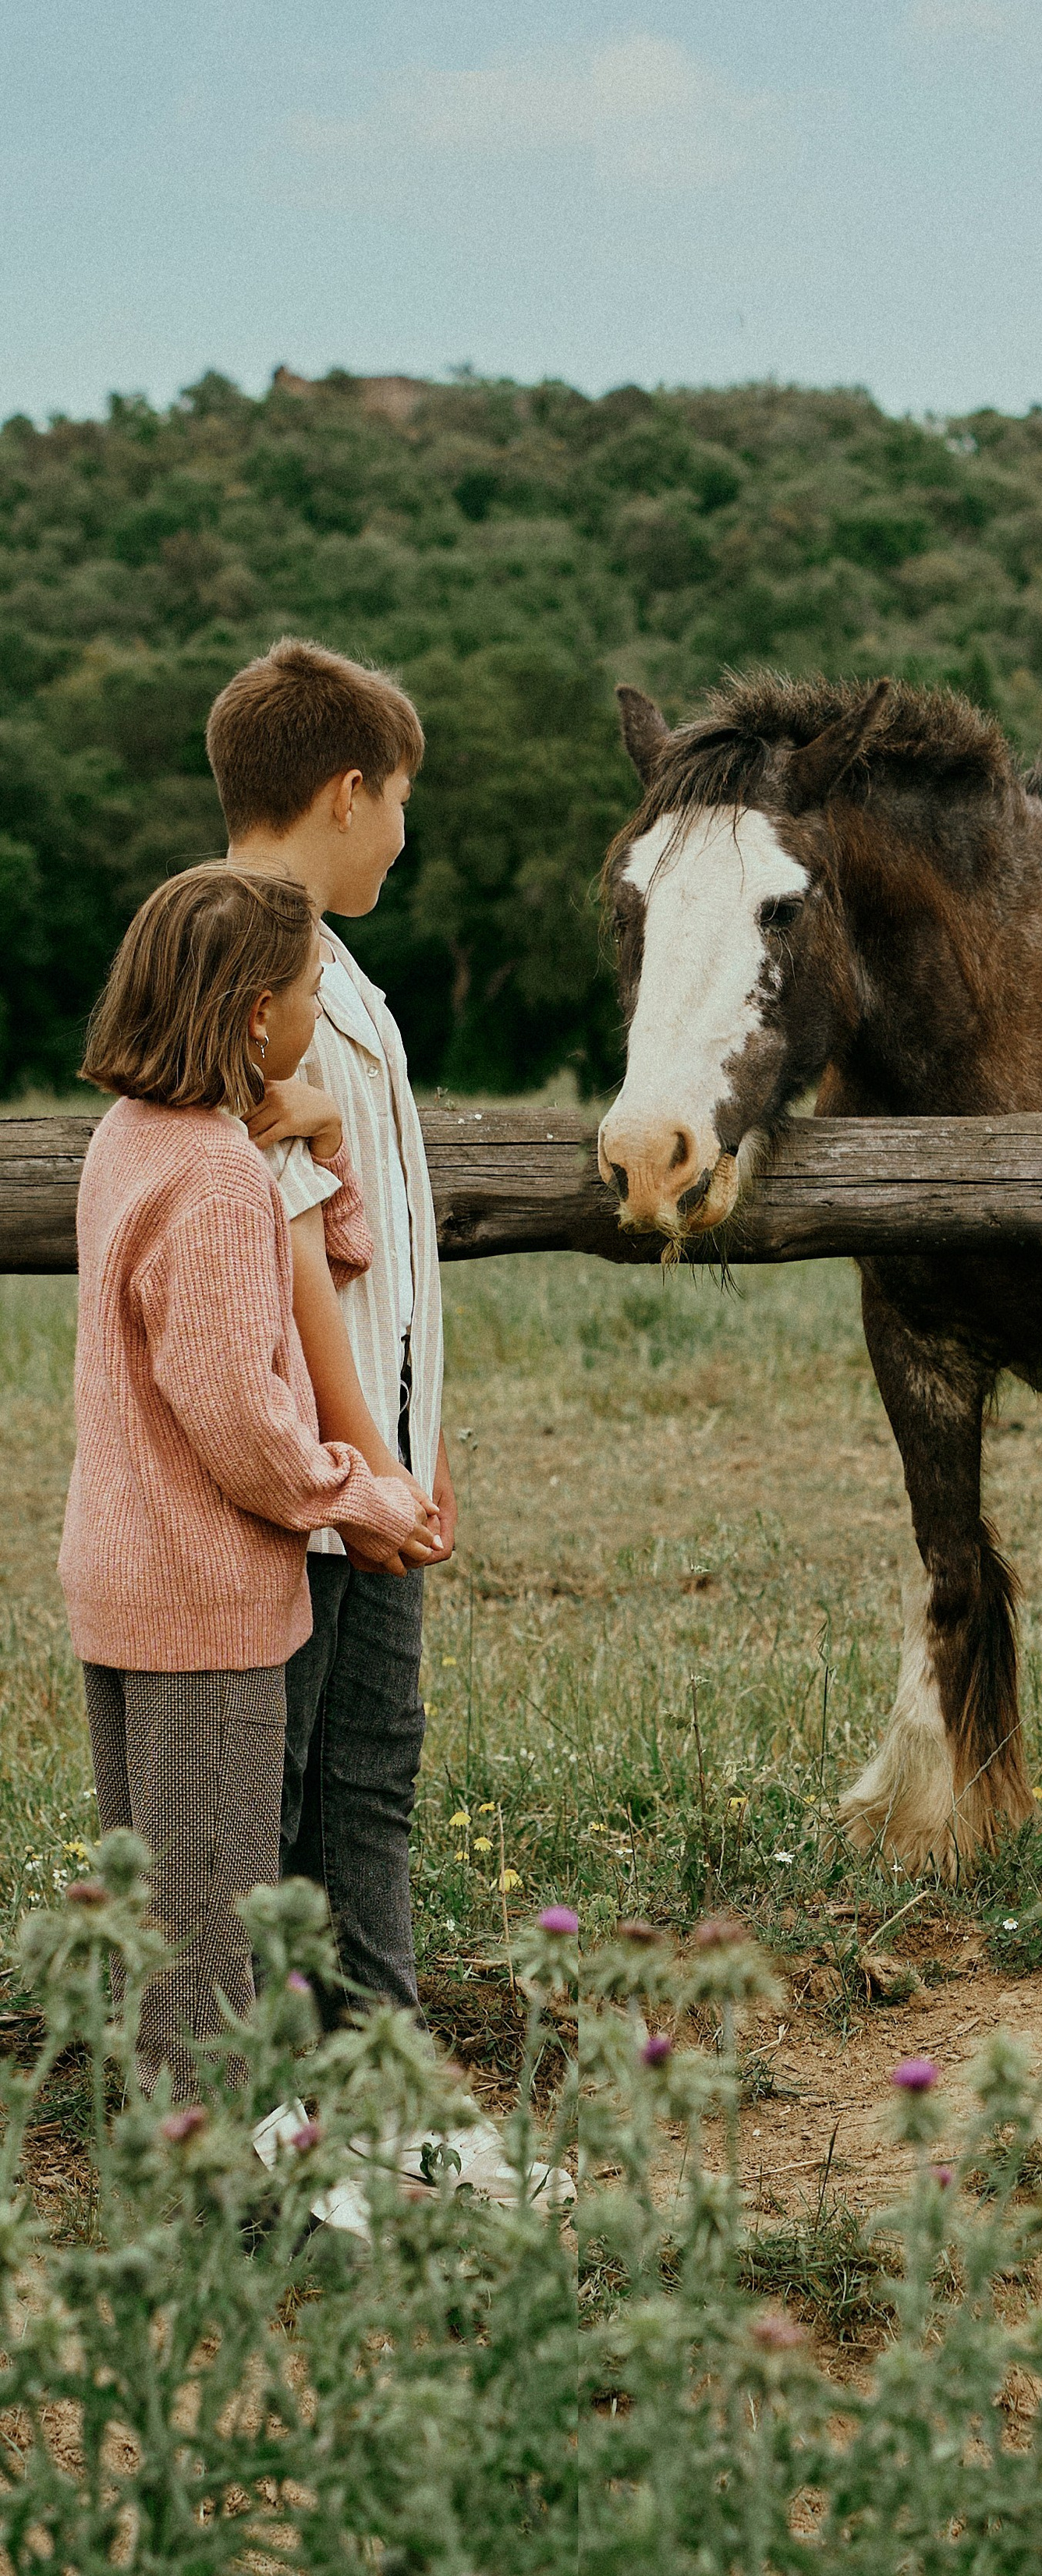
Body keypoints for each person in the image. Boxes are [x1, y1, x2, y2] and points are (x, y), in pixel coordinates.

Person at [61, 868, 437, 2099]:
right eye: (302, 986)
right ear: (246, 1016)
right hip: (207, 1601)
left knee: (154, 1906)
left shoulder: (136, 1139)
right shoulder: (216, 1178)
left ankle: (168, 2157)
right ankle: (214, 2198)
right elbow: (244, 1427)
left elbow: (298, 1282)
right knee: (215, 1931)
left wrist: (321, 1146)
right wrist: (361, 1495)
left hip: (125, 1583)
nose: (317, 996)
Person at [203, 639, 455, 2029]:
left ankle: (383, 2070)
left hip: (376, 1470)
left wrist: (423, 1450)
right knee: (292, 1791)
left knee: (372, 1773)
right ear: (349, 791)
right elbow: (293, 1245)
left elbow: (392, 1245)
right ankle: (283, 2090)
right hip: (308, 1480)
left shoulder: (339, 979)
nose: (407, 836)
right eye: (403, 800)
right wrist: (368, 1465)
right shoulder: (247, 974)